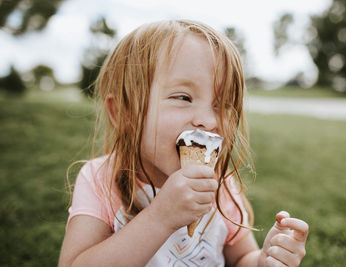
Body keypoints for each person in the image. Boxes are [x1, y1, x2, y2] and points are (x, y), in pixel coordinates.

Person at [59, 19, 308, 267]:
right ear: (124, 114)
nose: (208, 120)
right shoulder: (100, 180)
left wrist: (264, 261)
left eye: (222, 104)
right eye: (184, 97)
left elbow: (241, 258)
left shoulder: (221, 186)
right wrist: (160, 218)